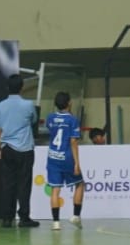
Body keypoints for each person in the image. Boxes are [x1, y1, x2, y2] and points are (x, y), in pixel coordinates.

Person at [0, 74, 40, 229]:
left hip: (7, 149)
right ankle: (24, 218)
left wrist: (0, 148)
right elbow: (33, 120)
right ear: (22, 87)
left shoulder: (0, 106)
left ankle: (7, 218)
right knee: (24, 184)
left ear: (8, 87)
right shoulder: (28, 105)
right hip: (25, 149)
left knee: (8, 184)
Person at [45, 91, 85, 230]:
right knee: (80, 184)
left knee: (55, 189)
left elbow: (51, 131)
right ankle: (76, 216)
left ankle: (56, 222)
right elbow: (73, 142)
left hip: (53, 157)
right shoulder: (72, 120)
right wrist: (77, 163)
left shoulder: (50, 117)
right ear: (69, 103)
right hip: (67, 157)